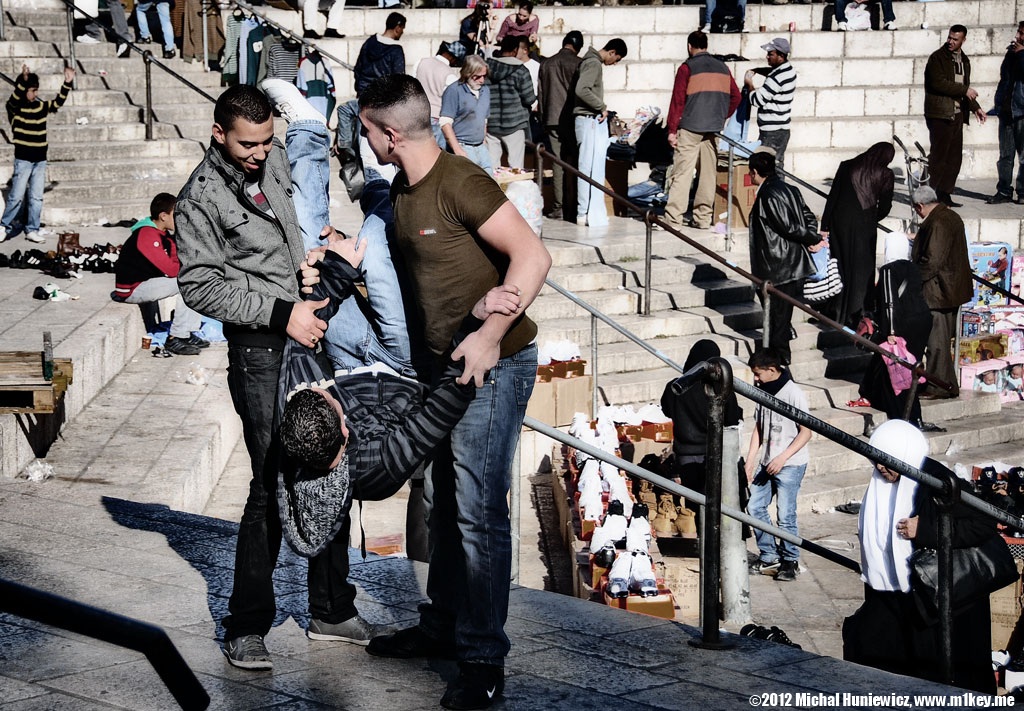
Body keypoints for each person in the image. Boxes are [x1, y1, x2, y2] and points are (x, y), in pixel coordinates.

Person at [357, 74, 552, 710]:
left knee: (477, 513)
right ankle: (442, 627)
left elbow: (533, 256)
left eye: (366, 131)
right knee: (441, 502)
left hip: (493, 367)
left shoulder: (460, 181)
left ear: (389, 134)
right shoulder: (401, 190)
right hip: (443, 372)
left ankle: (482, 660)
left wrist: (493, 330)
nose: (364, 142)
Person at [175, 84, 376, 671]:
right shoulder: (199, 199)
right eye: (248, 145)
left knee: (331, 457)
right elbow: (199, 286)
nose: (261, 154)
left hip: (307, 328)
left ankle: (332, 610)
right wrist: (279, 311)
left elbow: (287, 230)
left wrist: (309, 261)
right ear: (219, 135)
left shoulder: (276, 155)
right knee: (270, 478)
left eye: (267, 142)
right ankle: (246, 625)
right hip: (261, 346)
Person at [843, 419, 997, 694]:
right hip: (896, 595)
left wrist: (925, 529)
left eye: (886, 460)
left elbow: (983, 523)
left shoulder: (936, 481)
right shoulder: (882, 481)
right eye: (875, 460)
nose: (879, 467)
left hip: (938, 598)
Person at [747, 150, 825, 365]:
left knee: (777, 319)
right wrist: (812, 235)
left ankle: (778, 361)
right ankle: (777, 357)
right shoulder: (790, 189)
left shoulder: (768, 194)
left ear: (754, 172)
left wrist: (813, 237)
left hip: (778, 268)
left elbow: (788, 226)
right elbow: (808, 217)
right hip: (791, 265)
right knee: (780, 318)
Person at [111, 192, 208, 357]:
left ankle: (187, 332)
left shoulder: (165, 236)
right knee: (189, 283)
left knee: (195, 279)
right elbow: (170, 270)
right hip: (132, 289)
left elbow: (177, 262)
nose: (181, 219)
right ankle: (176, 337)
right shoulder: (147, 234)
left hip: (145, 283)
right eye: (176, 215)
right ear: (163, 216)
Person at [663, 30, 741, 231]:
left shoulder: (687, 67)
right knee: (708, 175)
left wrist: (672, 130)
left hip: (690, 127)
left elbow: (678, 101)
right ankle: (703, 218)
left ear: (690, 46)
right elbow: (736, 97)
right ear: (706, 45)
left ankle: (673, 220)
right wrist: (721, 115)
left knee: (682, 173)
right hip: (713, 128)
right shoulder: (722, 67)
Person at [745, 348, 811, 583]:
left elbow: (806, 432)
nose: (755, 379)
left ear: (772, 370)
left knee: (786, 515)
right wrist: (751, 459)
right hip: (767, 462)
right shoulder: (762, 392)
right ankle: (769, 554)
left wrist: (782, 458)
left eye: (758, 374)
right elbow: (759, 428)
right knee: (754, 507)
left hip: (790, 464)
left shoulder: (794, 393)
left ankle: (790, 560)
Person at [659, 339, 743, 525]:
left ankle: (698, 538)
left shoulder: (676, 386)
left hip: (685, 454)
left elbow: (666, 410)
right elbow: (731, 420)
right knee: (714, 500)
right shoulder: (721, 389)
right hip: (712, 453)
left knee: (694, 502)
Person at [857, 233, 932, 429]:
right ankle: (913, 414)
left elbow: (890, 301)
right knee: (909, 366)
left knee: (897, 366)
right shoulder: (913, 268)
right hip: (922, 321)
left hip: (902, 323)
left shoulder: (889, 269)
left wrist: (891, 330)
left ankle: (903, 411)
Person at [820, 142, 896, 327]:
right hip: (865, 226)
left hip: (840, 223)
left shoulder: (847, 165)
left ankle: (836, 310)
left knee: (841, 266)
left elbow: (833, 196)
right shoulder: (885, 174)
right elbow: (885, 205)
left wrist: (825, 225)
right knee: (862, 272)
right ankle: (858, 314)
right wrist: (873, 217)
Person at [909, 186, 973, 400]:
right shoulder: (950, 216)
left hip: (939, 291)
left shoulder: (937, 222)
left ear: (920, 206)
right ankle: (945, 384)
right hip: (949, 288)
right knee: (941, 341)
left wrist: (912, 279)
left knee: (936, 342)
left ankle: (940, 386)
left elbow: (933, 260)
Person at [0, 63, 74, 245]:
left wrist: (67, 82)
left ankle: (32, 229)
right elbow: (14, 99)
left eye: (36, 90)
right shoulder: (15, 109)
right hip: (23, 160)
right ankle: (4, 226)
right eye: (32, 90)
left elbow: (57, 103)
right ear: (24, 90)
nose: (35, 94)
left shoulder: (41, 107)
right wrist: (23, 80)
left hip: (39, 160)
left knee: (36, 197)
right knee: (16, 197)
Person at [925, 25, 986, 208]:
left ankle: (944, 195)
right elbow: (939, 83)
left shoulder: (964, 60)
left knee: (953, 160)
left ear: (963, 40)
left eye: (955, 39)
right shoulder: (937, 58)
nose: (951, 41)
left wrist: (975, 108)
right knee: (938, 158)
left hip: (957, 115)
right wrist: (964, 90)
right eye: (949, 37)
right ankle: (928, 196)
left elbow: (964, 88)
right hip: (940, 114)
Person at [572, 38, 628, 227]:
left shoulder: (590, 61)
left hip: (588, 120)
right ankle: (583, 212)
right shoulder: (593, 64)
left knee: (589, 168)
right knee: (587, 168)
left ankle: (585, 211)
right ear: (611, 52)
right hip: (588, 120)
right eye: (617, 59)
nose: (615, 63)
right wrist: (601, 106)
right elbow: (582, 89)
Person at [537, 30, 583, 220]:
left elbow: (541, 93)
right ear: (578, 46)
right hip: (573, 120)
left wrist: (543, 118)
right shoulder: (579, 64)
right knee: (574, 163)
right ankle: (573, 207)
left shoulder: (547, 63)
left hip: (552, 118)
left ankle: (558, 207)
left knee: (557, 162)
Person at [744, 38, 796, 172]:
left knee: (768, 169)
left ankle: (773, 193)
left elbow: (756, 100)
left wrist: (749, 82)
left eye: (770, 54)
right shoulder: (788, 70)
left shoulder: (776, 78)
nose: (767, 57)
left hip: (772, 131)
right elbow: (771, 72)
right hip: (781, 129)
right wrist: (757, 69)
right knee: (777, 166)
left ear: (781, 56)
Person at [485, 35, 536, 170]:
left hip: (491, 123)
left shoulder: (486, 68)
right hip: (515, 124)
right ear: (515, 50)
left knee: (492, 169)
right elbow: (529, 98)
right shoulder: (521, 70)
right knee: (516, 168)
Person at [987, 22, 1024, 205]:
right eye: (1018, 32)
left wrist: (1022, 55)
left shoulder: (1020, 54)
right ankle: (1003, 190)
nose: (1018, 36)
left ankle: (1023, 191)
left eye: (1022, 33)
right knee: (1005, 156)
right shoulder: (1012, 53)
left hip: (1022, 112)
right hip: (1007, 111)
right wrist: (998, 103)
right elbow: (1005, 78)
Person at [440, 55, 493, 174]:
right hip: (463, 146)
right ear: (467, 73)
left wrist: (484, 143)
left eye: (484, 76)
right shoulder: (454, 90)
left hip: (481, 147)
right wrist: (457, 149)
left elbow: (484, 119)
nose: (482, 80)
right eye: (477, 77)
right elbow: (445, 123)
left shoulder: (485, 90)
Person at [417, 41, 463, 149]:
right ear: (452, 57)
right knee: (436, 153)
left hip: (418, 112)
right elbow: (452, 100)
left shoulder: (421, 62)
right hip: (435, 116)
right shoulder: (450, 75)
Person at [354, 11, 406, 97]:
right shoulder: (396, 51)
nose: (402, 32)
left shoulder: (369, 42)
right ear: (397, 28)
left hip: (364, 95)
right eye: (402, 28)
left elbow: (358, 69)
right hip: (383, 99)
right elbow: (399, 80)